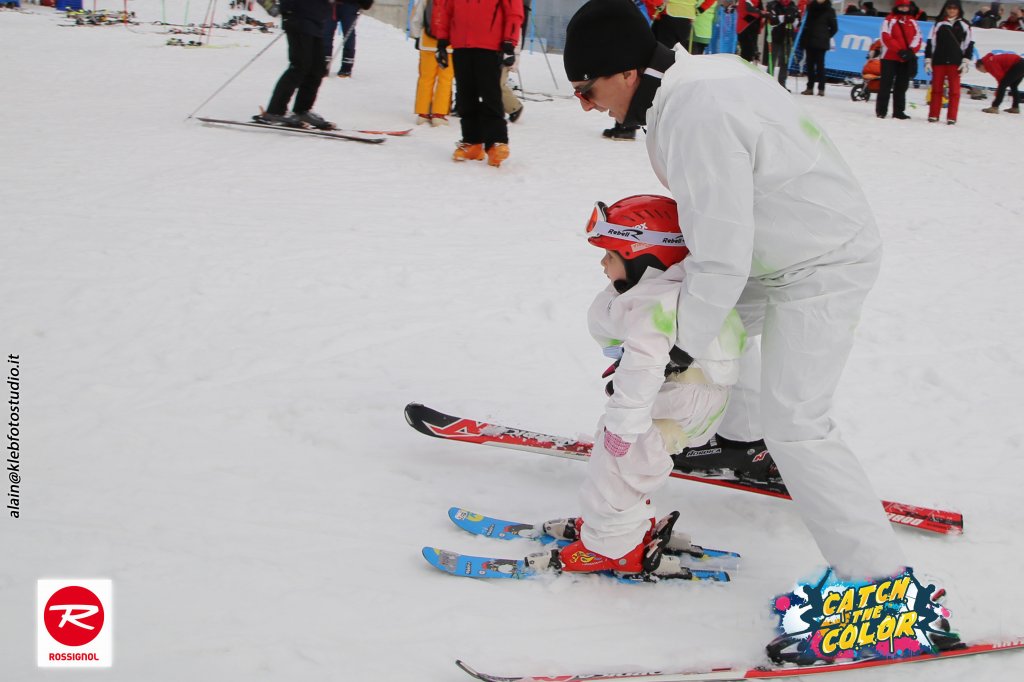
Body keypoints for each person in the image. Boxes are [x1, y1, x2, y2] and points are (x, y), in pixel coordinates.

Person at [562, 0, 908, 582]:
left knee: (798, 422)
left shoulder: (696, 111)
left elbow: (719, 254)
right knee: (714, 337)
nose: (586, 105)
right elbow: (720, 238)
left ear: (624, 72)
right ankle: (742, 441)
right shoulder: (695, 79)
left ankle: (884, 587)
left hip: (819, 265)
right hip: (772, 252)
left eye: (586, 90)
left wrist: (677, 347)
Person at [526, 195, 744, 576]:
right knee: (623, 462)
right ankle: (620, 528)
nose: (602, 264)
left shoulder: (652, 306)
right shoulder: (671, 289)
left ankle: (612, 548)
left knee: (618, 465)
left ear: (645, 257)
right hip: (686, 397)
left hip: (677, 401)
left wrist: (625, 424)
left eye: (610, 255)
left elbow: (642, 367)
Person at [432, 0, 524, 166]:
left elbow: (514, 12)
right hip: (461, 45)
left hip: (489, 47)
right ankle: (472, 142)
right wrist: (442, 41)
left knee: (491, 96)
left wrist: (509, 43)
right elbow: (445, 9)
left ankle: (496, 143)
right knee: (465, 96)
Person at [257, 0, 334, 128]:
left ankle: (302, 110)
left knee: (317, 68)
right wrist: (279, 7)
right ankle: (275, 110)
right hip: (298, 17)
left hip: (315, 20)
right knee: (300, 65)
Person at [924, 0, 973, 125]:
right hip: (939, 61)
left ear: (959, 10)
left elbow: (969, 44)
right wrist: (928, 59)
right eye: (949, 8)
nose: (952, 10)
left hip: (955, 62)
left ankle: (952, 117)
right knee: (936, 89)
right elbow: (931, 42)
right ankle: (933, 114)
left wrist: (965, 61)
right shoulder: (938, 24)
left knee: (955, 91)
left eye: (954, 8)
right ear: (945, 9)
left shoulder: (965, 25)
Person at [875, 0, 922, 119]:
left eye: (906, 6)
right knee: (886, 84)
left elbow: (918, 37)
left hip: (906, 57)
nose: (904, 8)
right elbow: (885, 37)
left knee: (902, 85)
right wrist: (899, 50)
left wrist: (911, 51)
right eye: (902, 6)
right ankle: (881, 110)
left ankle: (899, 111)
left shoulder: (912, 21)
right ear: (897, 7)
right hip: (889, 57)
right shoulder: (889, 20)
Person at [410, 0, 455, 126]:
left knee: (425, 78)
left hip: (427, 42)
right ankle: (439, 114)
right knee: (445, 79)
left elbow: (417, 17)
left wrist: (417, 36)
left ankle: (422, 113)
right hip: (449, 45)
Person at [322, 0, 369, 78]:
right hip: (331, 4)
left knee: (348, 35)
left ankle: (346, 67)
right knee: (326, 34)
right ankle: (323, 65)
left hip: (350, 4)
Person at [799, 0, 838, 96]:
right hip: (809, 40)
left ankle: (821, 88)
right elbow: (806, 24)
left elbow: (834, 28)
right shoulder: (810, 8)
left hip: (821, 42)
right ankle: (810, 87)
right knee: (810, 65)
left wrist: (826, 36)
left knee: (820, 65)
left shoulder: (830, 10)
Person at [765, 0, 801, 88]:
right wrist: (783, 18)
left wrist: (795, 20)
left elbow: (797, 23)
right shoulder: (773, 5)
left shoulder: (793, 6)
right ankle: (768, 83)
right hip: (776, 37)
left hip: (787, 38)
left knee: (784, 62)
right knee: (772, 60)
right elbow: (772, 20)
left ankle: (782, 83)